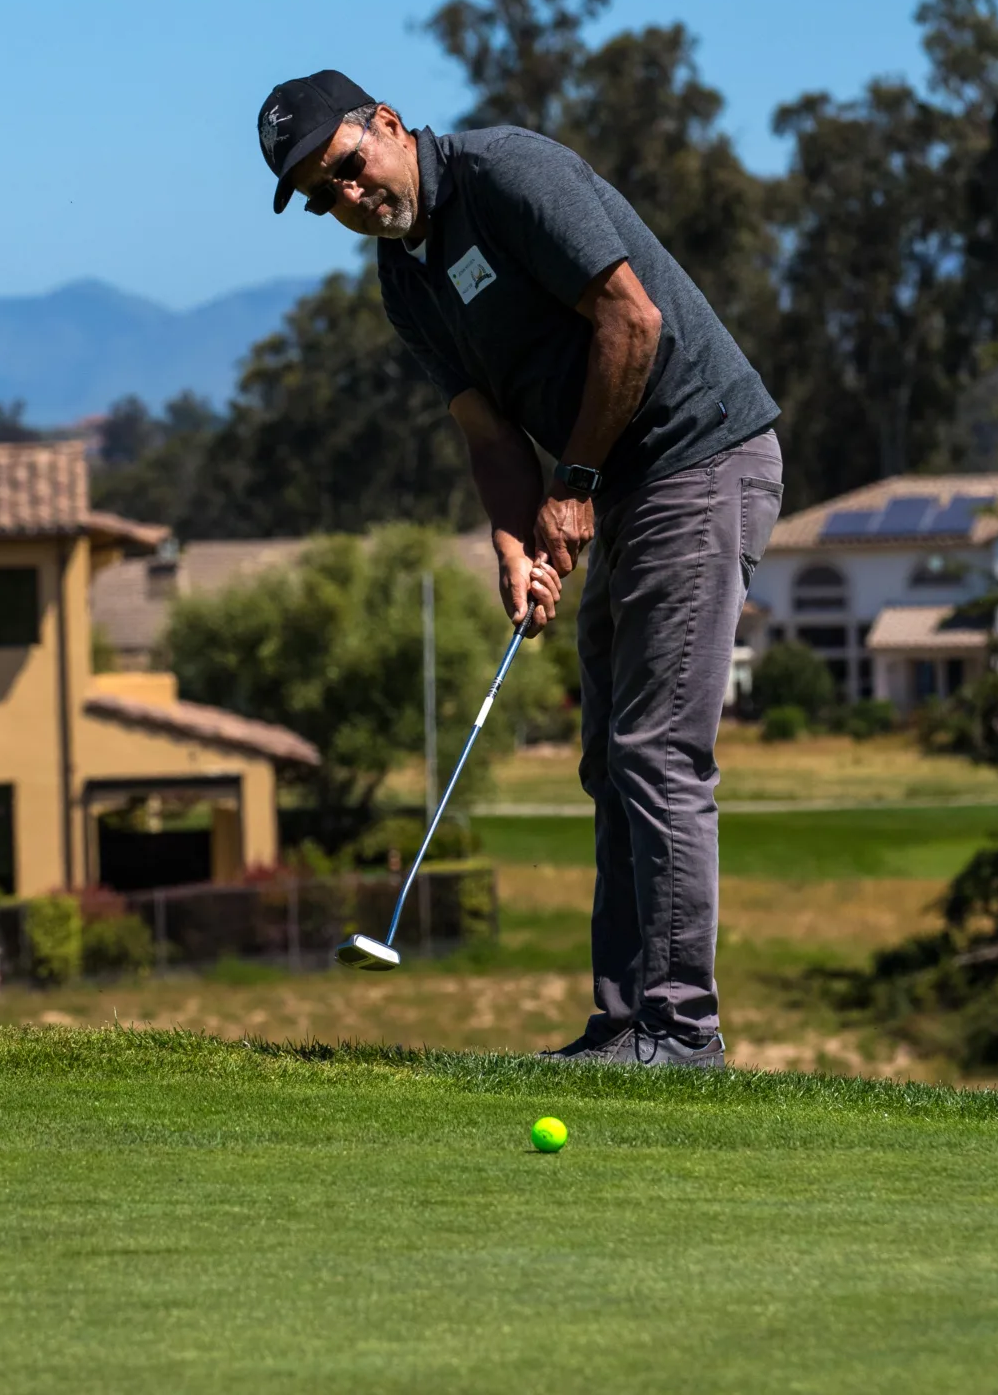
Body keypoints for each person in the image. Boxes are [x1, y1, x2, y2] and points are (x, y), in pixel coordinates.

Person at [258, 69, 784, 1068]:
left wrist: (573, 484)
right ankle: (626, 1021)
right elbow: (489, 434)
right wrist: (512, 535)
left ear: (387, 125)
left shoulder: (508, 175)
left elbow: (634, 323)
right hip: (624, 484)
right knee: (607, 758)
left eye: (348, 168)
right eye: (324, 198)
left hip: (699, 454)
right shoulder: (404, 281)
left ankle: (681, 1029)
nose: (349, 198)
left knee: (657, 749)